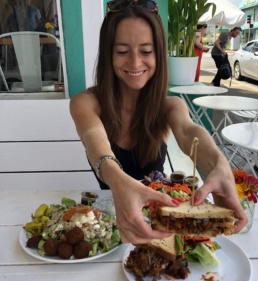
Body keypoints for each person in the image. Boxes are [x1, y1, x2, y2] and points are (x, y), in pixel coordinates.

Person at [70, 0, 247, 244]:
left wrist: (219, 162)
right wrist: (117, 180)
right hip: (109, 223)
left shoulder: (170, 106)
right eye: (122, 51)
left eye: (146, 51)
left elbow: (189, 131)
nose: (134, 62)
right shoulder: (85, 102)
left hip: (161, 221)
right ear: (108, 54)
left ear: (159, 54)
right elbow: (95, 141)